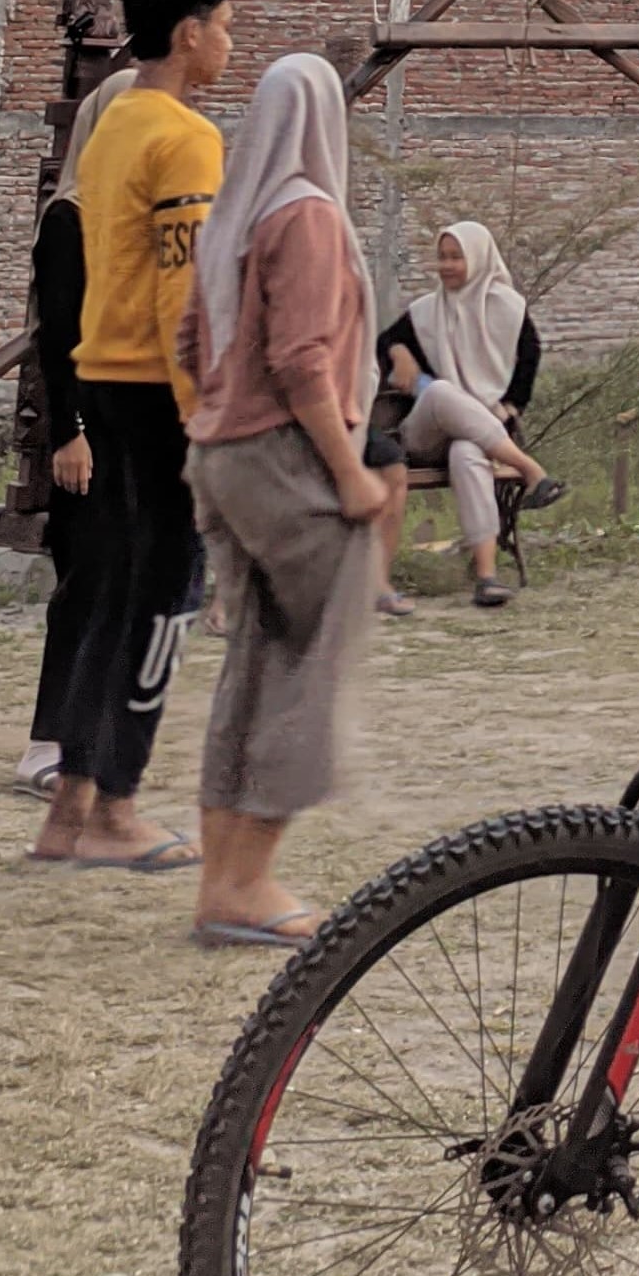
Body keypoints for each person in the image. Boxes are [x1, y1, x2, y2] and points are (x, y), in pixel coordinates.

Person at [180, 53, 399, 950]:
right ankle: (251, 881)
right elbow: (304, 361)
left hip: (221, 456)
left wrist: (217, 422)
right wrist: (349, 472)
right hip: (284, 455)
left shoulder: (231, 217)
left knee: (256, 665)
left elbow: (194, 342)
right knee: (311, 667)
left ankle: (223, 883)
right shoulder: (305, 215)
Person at [27, 0, 231, 872]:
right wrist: (206, 413)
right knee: (165, 602)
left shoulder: (107, 125)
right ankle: (116, 808)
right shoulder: (185, 136)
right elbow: (182, 293)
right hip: (158, 392)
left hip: (100, 378)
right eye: (225, 26)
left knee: (111, 594)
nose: (229, 43)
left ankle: (67, 809)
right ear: (190, 33)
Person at [13, 67, 136, 800]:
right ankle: (43, 744)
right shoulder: (72, 220)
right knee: (85, 586)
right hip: (85, 435)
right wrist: (73, 434)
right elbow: (60, 344)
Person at [373, 221, 564, 611]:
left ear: (477, 258)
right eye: (442, 257)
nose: (446, 266)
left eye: (455, 257)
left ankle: (486, 576)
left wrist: (510, 406)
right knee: (442, 392)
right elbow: (381, 345)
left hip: (481, 432)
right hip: (423, 436)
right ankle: (531, 471)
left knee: (467, 452)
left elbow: (529, 358)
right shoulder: (425, 313)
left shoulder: (508, 308)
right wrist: (398, 351)